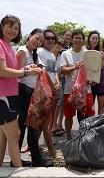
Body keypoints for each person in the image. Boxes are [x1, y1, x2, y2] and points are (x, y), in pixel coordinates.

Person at [0, 15, 41, 167]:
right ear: (2, 26)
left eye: (16, 28)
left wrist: (25, 69)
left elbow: (12, 71)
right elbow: (2, 71)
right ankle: (17, 169)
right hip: (0, 96)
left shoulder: (9, 46)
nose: (13, 30)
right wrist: (26, 73)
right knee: (15, 135)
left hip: (8, 95)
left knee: (3, 136)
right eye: (10, 26)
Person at [16, 28, 54, 167]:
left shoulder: (33, 53)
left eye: (40, 41)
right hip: (23, 91)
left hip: (32, 91)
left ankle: (26, 159)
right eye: (36, 38)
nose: (38, 42)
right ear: (30, 36)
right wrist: (30, 71)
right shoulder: (22, 51)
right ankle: (30, 159)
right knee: (26, 125)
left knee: (30, 125)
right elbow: (17, 74)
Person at [61, 30, 94, 140]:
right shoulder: (66, 54)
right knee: (69, 116)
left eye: (80, 38)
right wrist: (74, 67)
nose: (78, 40)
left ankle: (84, 138)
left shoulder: (87, 53)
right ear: (72, 39)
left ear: (83, 40)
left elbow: (93, 70)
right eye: (75, 37)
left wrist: (92, 80)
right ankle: (69, 138)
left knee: (85, 116)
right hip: (69, 90)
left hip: (85, 91)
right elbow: (63, 70)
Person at [37, 29, 59, 159]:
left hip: (51, 91)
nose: (50, 40)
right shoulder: (40, 51)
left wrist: (57, 82)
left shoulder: (51, 54)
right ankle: (51, 152)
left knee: (46, 121)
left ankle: (47, 149)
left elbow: (54, 71)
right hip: (44, 91)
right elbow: (43, 71)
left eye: (52, 38)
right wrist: (52, 85)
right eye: (48, 38)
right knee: (44, 122)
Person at [51, 37, 65, 136]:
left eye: (61, 44)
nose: (59, 45)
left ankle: (57, 125)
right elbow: (51, 71)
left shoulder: (60, 55)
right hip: (52, 84)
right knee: (53, 106)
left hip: (61, 83)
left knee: (60, 105)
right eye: (57, 43)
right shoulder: (49, 55)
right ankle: (53, 126)